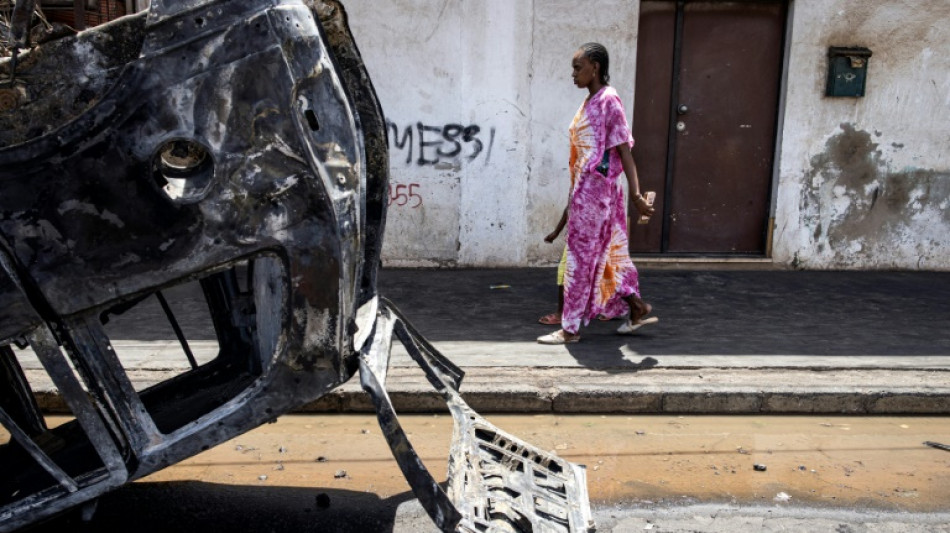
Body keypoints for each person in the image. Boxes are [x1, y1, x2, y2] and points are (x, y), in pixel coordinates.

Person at [537, 42, 657, 345]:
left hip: (598, 194)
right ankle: (637, 307)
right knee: (610, 256)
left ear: (596, 67)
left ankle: (570, 329)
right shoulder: (590, 102)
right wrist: (564, 216)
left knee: (580, 260)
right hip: (587, 192)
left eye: (579, 67)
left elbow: (624, 151)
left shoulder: (608, 100)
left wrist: (636, 195)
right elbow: (581, 160)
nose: (573, 74)